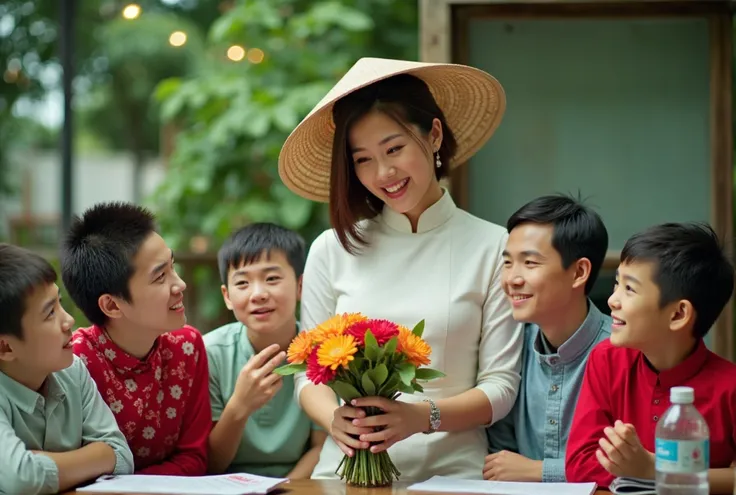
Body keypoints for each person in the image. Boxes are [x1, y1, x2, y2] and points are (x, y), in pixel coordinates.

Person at [276, 57, 524, 480]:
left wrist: (420, 417)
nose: (384, 173)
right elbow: (307, 377)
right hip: (344, 475)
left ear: (434, 134)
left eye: (394, 149)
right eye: (363, 160)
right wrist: (334, 421)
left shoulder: (494, 246)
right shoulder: (331, 249)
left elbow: (501, 387)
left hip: (453, 476)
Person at [565, 222, 736, 494]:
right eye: (617, 283)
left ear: (678, 314)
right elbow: (579, 463)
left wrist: (653, 469)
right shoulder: (606, 360)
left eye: (629, 289)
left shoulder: (730, 388)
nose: (612, 299)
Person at [61, 202, 211, 476]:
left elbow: (194, 458)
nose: (180, 285)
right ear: (112, 306)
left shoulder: (187, 346)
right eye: (160, 277)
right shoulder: (73, 363)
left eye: (172, 267)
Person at [484, 194, 612, 482]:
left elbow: (636, 465)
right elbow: (500, 460)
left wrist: (539, 472)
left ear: (579, 272)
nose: (512, 279)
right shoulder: (509, 342)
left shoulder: (623, 351)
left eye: (529, 263)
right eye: (508, 263)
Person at [0, 244, 133, 494]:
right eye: (50, 313)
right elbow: (22, 479)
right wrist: (92, 458)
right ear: (5, 347)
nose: (69, 321)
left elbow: (121, 456)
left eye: (59, 303)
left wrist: (38, 462)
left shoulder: (72, 371)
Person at [204, 222, 326, 477]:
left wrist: (283, 489)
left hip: (299, 486)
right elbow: (210, 462)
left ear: (300, 286)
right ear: (227, 296)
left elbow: (322, 447)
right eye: (242, 283)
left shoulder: (323, 352)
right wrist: (240, 405)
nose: (258, 294)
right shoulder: (210, 353)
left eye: (272, 279)